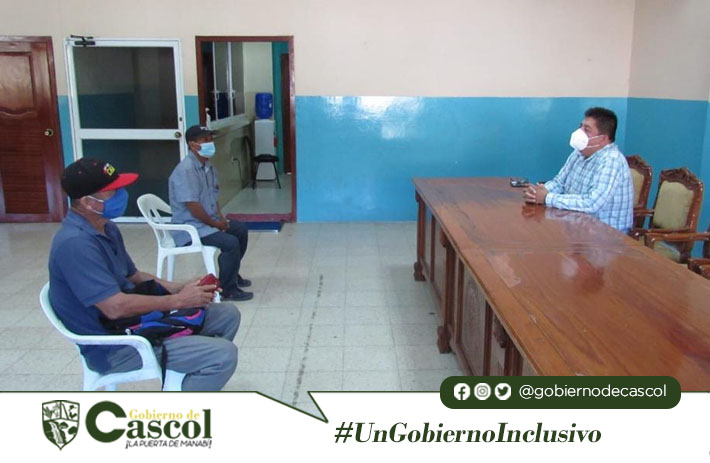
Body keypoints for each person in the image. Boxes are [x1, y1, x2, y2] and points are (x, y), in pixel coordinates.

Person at [48, 158, 240, 391]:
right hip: (115, 346)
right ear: (88, 202)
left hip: (135, 322)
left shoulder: (106, 227)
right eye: (114, 191)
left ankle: (188, 370)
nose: (122, 195)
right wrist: (178, 301)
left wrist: (179, 287)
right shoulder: (75, 243)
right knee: (223, 355)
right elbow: (114, 307)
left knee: (227, 315)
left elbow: (134, 276)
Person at [169, 125, 253, 301]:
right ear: (193, 145)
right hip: (191, 227)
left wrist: (221, 219)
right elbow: (193, 206)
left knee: (240, 229)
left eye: (211, 139)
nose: (210, 143)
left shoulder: (208, 167)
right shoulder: (186, 171)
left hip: (207, 222)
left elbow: (212, 199)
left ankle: (231, 273)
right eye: (205, 140)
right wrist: (215, 224)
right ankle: (228, 290)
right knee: (230, 243)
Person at [523, 107, 634, 233]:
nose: (579, 132)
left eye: (586, 129)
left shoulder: (611, 160)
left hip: (607, 235)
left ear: (602, 139)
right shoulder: (578, 153)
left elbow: (592, 203)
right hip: (577, 226)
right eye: (580, 127)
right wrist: (537, 192)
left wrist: (547, 198)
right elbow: (560, 183)